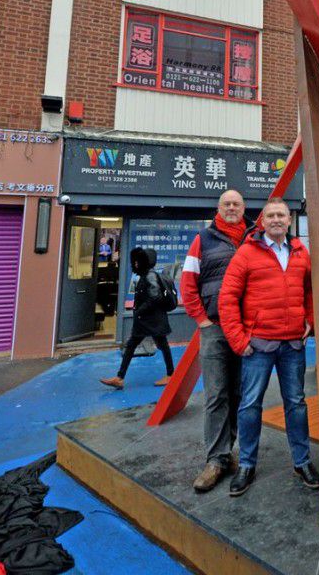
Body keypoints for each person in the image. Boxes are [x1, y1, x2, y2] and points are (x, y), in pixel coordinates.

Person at [218, 198, 319, 497]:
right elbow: (227, 299)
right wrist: (239, 340)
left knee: (297, 404)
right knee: (250, 405)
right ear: (262, 221)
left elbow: (312, 290)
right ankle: (247, 465)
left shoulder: (301, 252)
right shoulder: (246, 254)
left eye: (281, 215)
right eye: (270, 215)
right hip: (258, 345)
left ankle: (301, 462)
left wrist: (310, 320)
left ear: (290, 220)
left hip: (292, 344)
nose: (276, 219)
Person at [180, 189, 249, 493]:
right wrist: (202, 320)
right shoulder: (203, 240)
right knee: (216, 394)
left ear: (243, 208)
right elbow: (188, 282)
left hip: (246, 329)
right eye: (226, 204)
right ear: (218, 209)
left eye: (236, 204)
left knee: (238, 393)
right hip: (216, 329)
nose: (231, 208)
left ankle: (227, 451)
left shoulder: (252, 238)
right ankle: (215, 459)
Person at [100, 248, 175, 389]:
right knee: (132, 346)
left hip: (152, 320)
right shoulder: (146, 274)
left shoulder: (150, 276)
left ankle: (171, 375)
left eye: (137, 261)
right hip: (148, 320)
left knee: (161, 345)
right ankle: (120, 377)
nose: (134, 264)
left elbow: (155, 296)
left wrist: (140, 310)